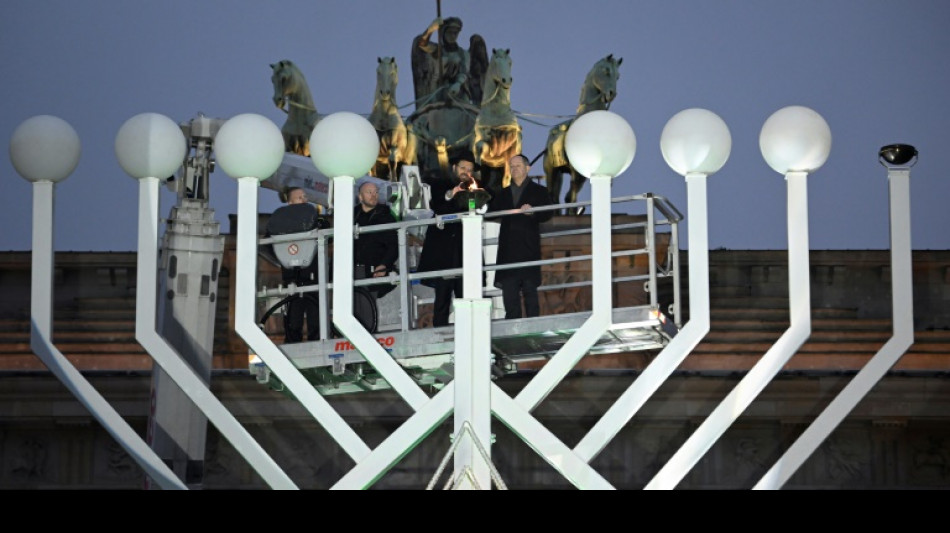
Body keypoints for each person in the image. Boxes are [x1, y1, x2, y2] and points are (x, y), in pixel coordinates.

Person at [416, 151, 482, 327]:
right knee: (442, 298)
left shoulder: (475, 187)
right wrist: (451, 193)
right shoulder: (440, 185)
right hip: (444, 252)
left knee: (466, 296)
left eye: (470, 169)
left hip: (464, 252)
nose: (466, 172)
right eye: (463, 168)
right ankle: (439, 331)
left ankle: (468, 331)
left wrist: (475, 200)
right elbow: (437, 206)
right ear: (454, 168)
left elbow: (478, 210)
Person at [488, 154, 553, 319]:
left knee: (530, 292)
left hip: (527, 247)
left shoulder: (540, 191)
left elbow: (548, 213)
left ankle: (533, 328)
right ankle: (511, 329)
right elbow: (489, 213)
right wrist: (473, 202)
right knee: (510, 296)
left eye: (518, 165)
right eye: (512, 166)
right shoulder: (502, 193)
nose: (514, 168)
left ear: (527, 168)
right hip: (508, 250)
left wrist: (533, 212)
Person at [265, 186, 327, 343]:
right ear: (290, 201)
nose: (304, 200)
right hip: (291, 277)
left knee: (316, 314)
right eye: (300, 197)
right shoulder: (280, 222)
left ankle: (318, 342)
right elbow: (267, 243)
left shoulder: (315, 218)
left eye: (305, 197)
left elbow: (328, 235)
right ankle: (292, 342)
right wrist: (282, 259)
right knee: (293, 314)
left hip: (314, 274)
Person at [353, 180, 398, 299]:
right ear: (360, 196)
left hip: (375, 272)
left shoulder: (386, 217)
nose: (374, 195)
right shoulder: (351, 216)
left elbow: (394, 246)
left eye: (376, 192)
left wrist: (384, 265)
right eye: (369, 192)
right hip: (353, 271)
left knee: (368, 310)